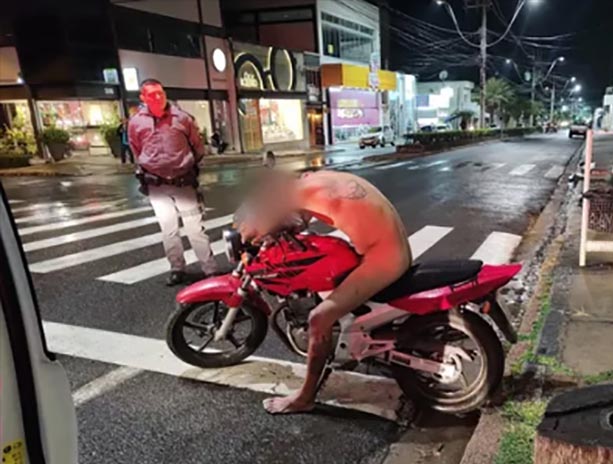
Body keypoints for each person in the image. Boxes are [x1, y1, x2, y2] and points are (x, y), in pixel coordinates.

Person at [237, 169, 412, 414]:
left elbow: (252, 230)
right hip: (388, 247)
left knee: (319, 318)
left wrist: (248, 233)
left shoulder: (294, 193)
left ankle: (304, 397)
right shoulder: (318, 180)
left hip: (383, 259)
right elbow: (304, 218)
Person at [128, 79, 217, 286]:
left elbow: (198, 147)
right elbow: (136, 149)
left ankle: (210, 270)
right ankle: (177, 268)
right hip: (156, 185)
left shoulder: (182, 118)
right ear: (143, 98)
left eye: (160, 93)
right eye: (152, 95)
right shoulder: (136, 122)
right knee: (168, 229)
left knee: (195, 227)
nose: (158, 98)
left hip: (182, 181)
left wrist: (186, 166)